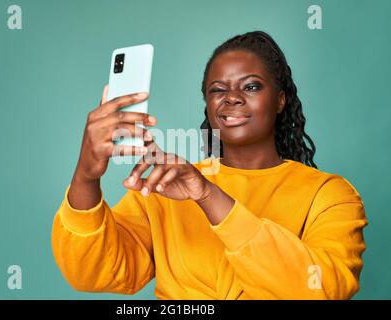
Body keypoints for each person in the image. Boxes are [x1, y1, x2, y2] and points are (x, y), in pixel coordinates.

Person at [51, 31, 367, 299]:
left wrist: (208, 196)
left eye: (252, 86)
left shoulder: (329, 194)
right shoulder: (165, 185)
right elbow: (95, 273)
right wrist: (86, 176)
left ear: (281, 100)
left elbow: (325, 287)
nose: (231, 98)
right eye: (218, 90)